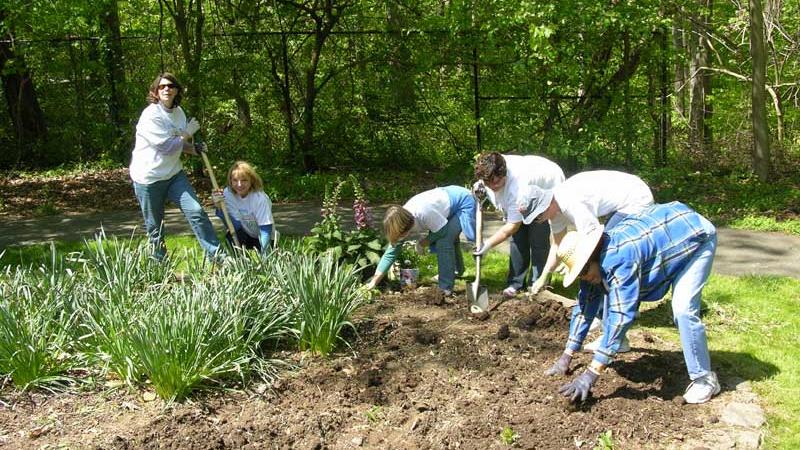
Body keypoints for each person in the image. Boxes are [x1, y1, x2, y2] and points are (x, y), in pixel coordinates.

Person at [544, 201, 721, 405]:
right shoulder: (595, 261)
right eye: (579, 274)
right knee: (609, 293)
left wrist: (591, 374)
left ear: (591, 257)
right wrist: (567, 355)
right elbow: (585, 305)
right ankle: (617, 345)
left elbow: (621, 316)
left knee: (683, 309)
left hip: (694, 236)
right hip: (666, 234)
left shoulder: (620, 260)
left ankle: (705, 379)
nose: (583, 277)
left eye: (583, 272)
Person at [523, 170, 654, 351]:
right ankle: (600, 316)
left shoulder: (570, 203)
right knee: (595, 268)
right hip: (622, 203)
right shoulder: (554, 212)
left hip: (636, 200)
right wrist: (543, 276)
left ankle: (615, 338)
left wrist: (581, 265)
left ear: (546, 204)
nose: (538, 221)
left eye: (537, 216)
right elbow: (558, 247)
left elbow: (593, 241)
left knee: (607, 263)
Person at [129, 72, 222, 261]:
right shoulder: (151, 115)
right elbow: (166, 147)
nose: (166, 89)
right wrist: (187, 133)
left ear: (177, 90)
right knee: (156, 226)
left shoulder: (179, 113)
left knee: (196, 211)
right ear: (155, 91)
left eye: (170, 86)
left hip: (173, 175)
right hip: (149, 178)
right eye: (162, 86)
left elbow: (178, 145)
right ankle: (160, 266)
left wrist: (194, 149)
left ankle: (218, 256)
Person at [472, 152, 565, 298]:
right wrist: (479, 189)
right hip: (528, 182)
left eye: (497, 182)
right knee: (517, 239)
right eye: (489, 183)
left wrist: (487, 244)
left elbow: (511, 227)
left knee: (538, 238)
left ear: (505, 175)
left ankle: (538, 283)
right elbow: (485, 185)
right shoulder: (490, 168)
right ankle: (515, 283)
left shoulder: (518, 188)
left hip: (547, 184)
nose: (493, 186)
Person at [365, 186, 477, 295]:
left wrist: (422, 243)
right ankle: (456, 271)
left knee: (444, 241)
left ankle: (445, 288)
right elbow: (390, 253)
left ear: (407, 229)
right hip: (446, 204)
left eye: (401, 235)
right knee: (449, 237)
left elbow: (442, 231)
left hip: (463, 201)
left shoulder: (424, 213)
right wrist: (373, 282)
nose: (400, 238)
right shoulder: (400, 222)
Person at [211, 161, 274, 257]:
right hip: (246, 234)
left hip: (265, 236)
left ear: (251, 180)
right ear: (230, 181)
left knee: (268, 255)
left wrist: (264, 256)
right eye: (235, 180)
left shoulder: (259, 198)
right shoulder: (227, 194)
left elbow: (265, 229)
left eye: (244, 180)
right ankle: (239, 262)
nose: (239, 184)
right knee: (230, 237)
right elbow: (235, 226)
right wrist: (219, 207)